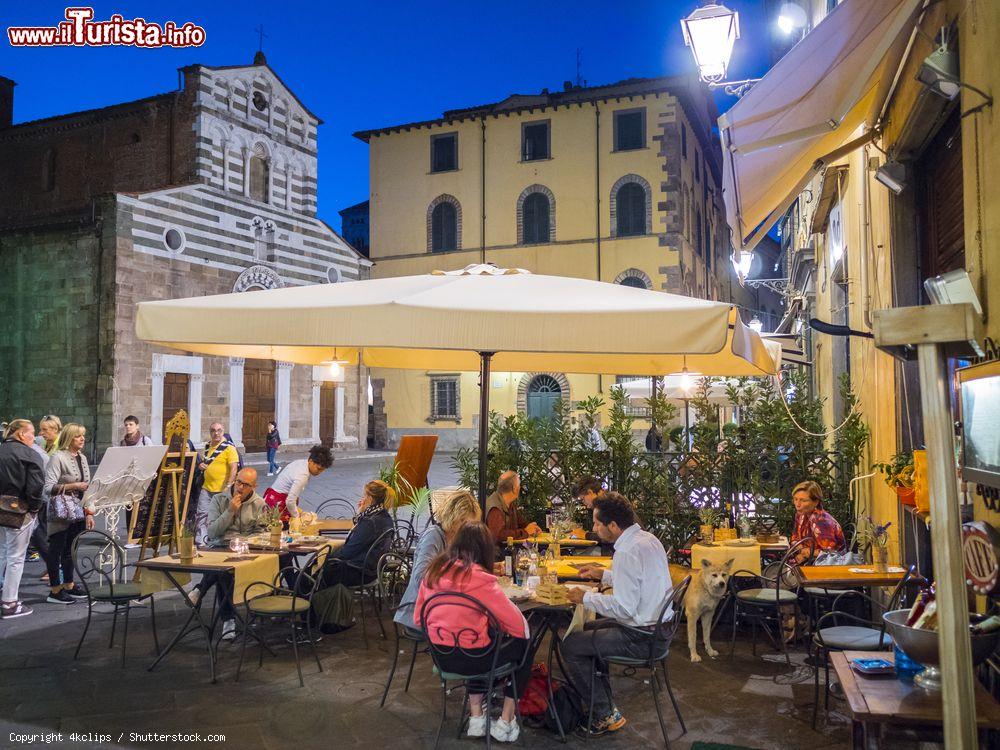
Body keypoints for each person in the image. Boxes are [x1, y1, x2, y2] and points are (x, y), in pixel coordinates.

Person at [562, 492, 673, 736]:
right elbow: (640, 581)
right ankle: (603, 704)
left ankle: (604, 714)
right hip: (660, 630)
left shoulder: (626, 552)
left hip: (642, 638)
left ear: (612, 525)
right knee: (588, 632)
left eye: (596, 523)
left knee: (571, 645)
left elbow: (624, 608)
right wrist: (604, 575)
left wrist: (586, 597)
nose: (593, 528)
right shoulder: (647, 539)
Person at [414, 522, 532, 743]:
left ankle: (476, 716)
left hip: (442, 658)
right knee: (526, 642)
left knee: (480, 640)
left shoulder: (433, 572)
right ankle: (506, 720)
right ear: (484, 549)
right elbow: (519, 627)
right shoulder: (481, 581)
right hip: (476, 661)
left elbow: (418, 618)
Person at [190, 467, 268, 640]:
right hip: (219, 545)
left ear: (254, 486)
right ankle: (229, 620)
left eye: (246, 485)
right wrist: (230, 511)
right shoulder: (219, 499)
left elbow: (262, 532)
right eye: (238, 482)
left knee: (224, 570)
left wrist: (244, 540)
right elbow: (212, 532)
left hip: (244, 549)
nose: (240, 487)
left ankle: (199, 589)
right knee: (223, 573)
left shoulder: (259, 503)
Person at [394, 489, 481, 632]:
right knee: (474, 628)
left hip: (443, 608)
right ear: (452, 517)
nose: (467, 528)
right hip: (420, 611)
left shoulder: (455, 537)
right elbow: (420, 578)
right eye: (463, 522)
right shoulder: (434, 536)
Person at [42, 423, 95, 605]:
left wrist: (89, 512)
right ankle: (55, 590)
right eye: (77, 436)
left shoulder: (82, 457)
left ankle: (69, 585)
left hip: (78, 510)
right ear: (68, 438)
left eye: (83, 436)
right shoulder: (58, 457)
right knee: (56, 550)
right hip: (61, 512)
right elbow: (48, 487)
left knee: (71, 550)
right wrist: (73, 486)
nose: (82, 439)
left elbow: (88, 488)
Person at [0, 420, 46, 618]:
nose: (34, 437)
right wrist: (34, 508)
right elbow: (35, 487)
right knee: (16, 557)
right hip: (19, 510)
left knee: (2, 552)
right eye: (32, 433)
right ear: (20, 434)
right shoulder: (30, 455)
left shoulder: (2, 450)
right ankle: (9, 602)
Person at [319, 480, 394, 588]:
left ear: (370, 499)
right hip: (373, 570)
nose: (363, 498)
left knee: (314, 571)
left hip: (358, 571)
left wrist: (327, 557)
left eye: (364, 495)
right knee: (316, 570)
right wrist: (361, 512)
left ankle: (308, 601)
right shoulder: (386, 518)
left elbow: (348, 551)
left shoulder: (369, 522)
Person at [194, 423, 240, 545]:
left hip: (222, 489)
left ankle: (221, 542)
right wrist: (201, 466)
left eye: (219, 430)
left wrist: (229, 486)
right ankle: (201, 542)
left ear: (223, 431)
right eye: (213, 431)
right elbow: (207, 463)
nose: (216, 433)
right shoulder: (208, 446)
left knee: (222, 517)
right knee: (201, 514)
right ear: (210, 432)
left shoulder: (229, 448)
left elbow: (234, 468)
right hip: (207, 487)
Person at [263, 444, 332, 522]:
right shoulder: (303, 475)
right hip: (277, 503)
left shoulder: (300, 463)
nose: (319, 472)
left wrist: (300, 511)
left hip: (271, 497)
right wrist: (297, 517)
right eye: (318, 468)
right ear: (311, 461)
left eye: (322, 470)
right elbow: (290, 501)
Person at [790, 480, 845, 563]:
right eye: (795, 499)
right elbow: (795, 538)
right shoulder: (801, 514)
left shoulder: (821, 521)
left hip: (830, 563)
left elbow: (831, 552)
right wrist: (802, 550)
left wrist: (805, 554)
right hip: (808, 558)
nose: (797, 504)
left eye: (803, 500)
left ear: (816, 502)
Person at [484, 471, 540, 544]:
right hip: (497, 553)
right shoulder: (495, 508)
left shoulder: (509, 503)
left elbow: (521, 523)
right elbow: (498, 535)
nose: (520, 487)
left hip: (509, 549)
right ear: (514, 489)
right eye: (519, 485)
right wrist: (525, 532)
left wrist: (532, 528)